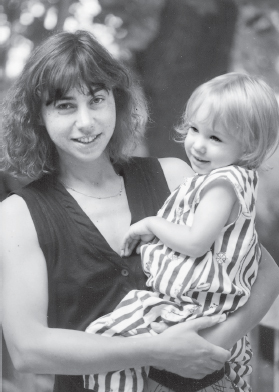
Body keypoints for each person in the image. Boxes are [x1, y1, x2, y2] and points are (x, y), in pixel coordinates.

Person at [1, 30, 279, 392]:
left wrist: (210, 346)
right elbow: (28, 349)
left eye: (96, 100)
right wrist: (159, 352)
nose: (86, 122)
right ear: (38, 116)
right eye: (65, 105)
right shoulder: (17, 216)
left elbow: (266, 272)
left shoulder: (175, 176)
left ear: (116, 100)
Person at [84, 73, 279, 392]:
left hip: (194, 310)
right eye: (194, 129)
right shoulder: (215, 181)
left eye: (216, 138)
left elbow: (195, 242)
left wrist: (151, 225)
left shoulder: (222, 185)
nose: (198, 145)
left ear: (250, 144)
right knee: (117, 342)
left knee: (107, 338)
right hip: (195, 310)